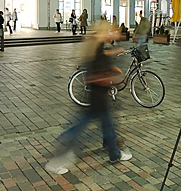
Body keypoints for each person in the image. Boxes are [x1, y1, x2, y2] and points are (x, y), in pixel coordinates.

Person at [45, 28, 132, 175]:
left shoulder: (97, 47)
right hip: (99, 98)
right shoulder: (97, 49)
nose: (111, 33)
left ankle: (114, 153)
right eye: (109, 30)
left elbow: (102, 64)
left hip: (99, 97)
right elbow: (95, 76)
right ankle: (59, 157)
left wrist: (113, 63)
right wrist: (113, 79)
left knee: (105, 125)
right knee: (85, 129)